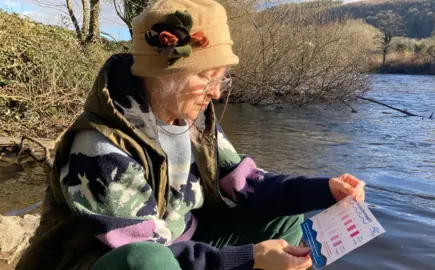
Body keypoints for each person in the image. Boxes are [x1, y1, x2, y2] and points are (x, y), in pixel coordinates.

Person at [16, 0, 365, 269]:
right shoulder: (98, 149)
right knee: (148, 262)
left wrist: (325, 189)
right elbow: (151, 252)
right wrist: (250, 257)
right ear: (165, 76)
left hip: (184, 243)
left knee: (287, 213)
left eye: (221, 77)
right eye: (206, 77)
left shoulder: (192, 119)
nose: (215, 92)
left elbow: (251, 186)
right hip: (110, 261)